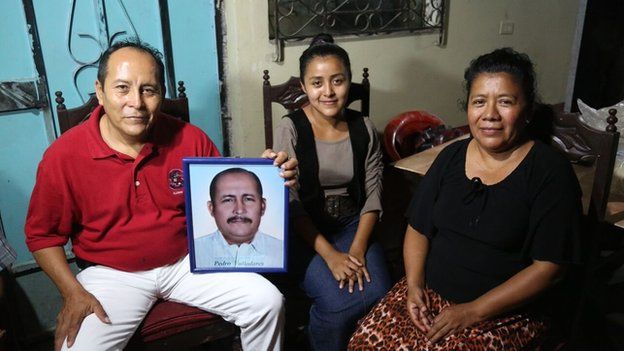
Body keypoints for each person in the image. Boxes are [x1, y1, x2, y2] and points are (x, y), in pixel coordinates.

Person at [24, 39, 297, 351]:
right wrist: (71, 292)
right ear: (100, 91)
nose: (136, 102)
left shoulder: (190, 139)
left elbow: (223, 195)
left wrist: (270, 174)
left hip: (187, 262)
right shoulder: (63, 156)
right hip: (112, 274)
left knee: (268, 302)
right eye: (122, 88)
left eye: (148, 90)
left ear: (161, 95)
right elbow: (42, 236)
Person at [348, 48, 582, 350]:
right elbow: (418, 228)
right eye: (479, 102)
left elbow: (549, 269)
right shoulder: (451, 157)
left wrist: (472, 311)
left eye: (506, 102)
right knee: (364, 342)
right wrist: (414, 285)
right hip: (429, 294)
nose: (490, 115)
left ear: (526, 111)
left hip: (503, 313)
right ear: (468, 108)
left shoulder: (549, 172)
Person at [273, 33, 391, 351]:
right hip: (305, 233)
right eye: (317, 83)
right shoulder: (290, 128)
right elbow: (290, 200)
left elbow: (373, 194)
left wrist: (356, 249)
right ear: (303, 86)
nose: (328, 92)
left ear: (349, 82)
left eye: (337, 81)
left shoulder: (364, 127)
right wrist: (331, 256)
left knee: (380, 293)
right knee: (339, 307)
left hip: (353, 225)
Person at [194, 167, 284, 268]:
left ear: (262, 206)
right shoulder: (194, 252)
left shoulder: (281, 251)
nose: (239, 210)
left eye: (248, 199)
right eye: (228, 200)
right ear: (211, 208)